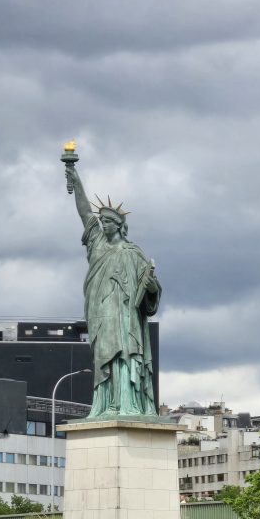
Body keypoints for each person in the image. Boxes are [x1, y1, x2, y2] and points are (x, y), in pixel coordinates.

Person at [64, 161, 161, 419]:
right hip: (101, 314)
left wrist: (151, 287)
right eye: (102, 221)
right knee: (104, 360)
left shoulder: (133, 253)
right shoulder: (97, 245)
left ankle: (128, 404)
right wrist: (75, 179)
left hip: (126, 317)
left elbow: (150, 293)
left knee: (126, 357)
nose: (103, 225)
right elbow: (85, 213)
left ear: (119, 225)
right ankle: (105, 405)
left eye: (108, 222)